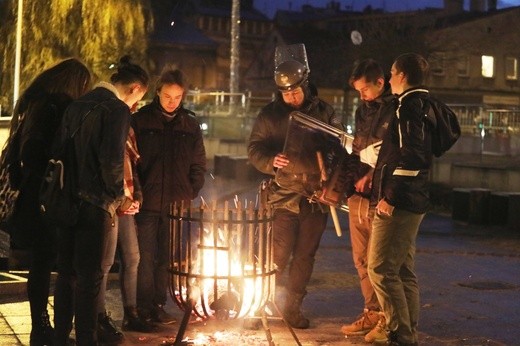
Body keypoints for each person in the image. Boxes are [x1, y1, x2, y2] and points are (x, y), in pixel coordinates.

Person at [53, 56, 149, 346]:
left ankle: (59, 338)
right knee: (91, 279)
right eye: (139, 99)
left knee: (67, 274)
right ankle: (87, 340)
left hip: (67, 201)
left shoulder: (77, 104)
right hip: (96, 207)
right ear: (134, 88)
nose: (135, 106)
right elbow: (111, 161)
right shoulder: (117, 110)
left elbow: (61, 152)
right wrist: (119, 199)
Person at [248, 44, 343, 329]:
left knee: (304, 256)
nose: (291, 97)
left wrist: (332, 181)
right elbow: (254, 148)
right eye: (286, 93)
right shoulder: (269, 115)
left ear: (305, 84)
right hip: (282, 198)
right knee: (274, 256)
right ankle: (259, 305)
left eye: (295, 92)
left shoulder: (324, 111)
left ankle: (292, 308)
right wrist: (270, 160)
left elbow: (339, 149)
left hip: (315, 198)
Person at [4, 58, 91, 346]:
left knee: (42, 263)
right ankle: (43, 326)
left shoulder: (36, 104)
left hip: (35, 196)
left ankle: (42, 325)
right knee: (47, 262)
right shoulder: (53, 107)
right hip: (46, 198)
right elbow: (35, 151)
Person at [132, 68, 207, 324]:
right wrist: (137, 191)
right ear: (158, 92)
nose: (171, 102)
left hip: (176, 204)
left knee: (166, 258)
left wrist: (191, 189)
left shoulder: (190, 124)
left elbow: (199, 163)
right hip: (146, 202)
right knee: (144, 258)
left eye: (177, 97)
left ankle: (158, 304)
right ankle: (143, 307)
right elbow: (131, 161)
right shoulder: (141, 121)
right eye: (167, 96)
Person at [367, 53, 432, 346]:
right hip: (415, 199)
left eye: (392, 73)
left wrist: (389, 197)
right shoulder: (423, 104)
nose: (390, 78)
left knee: (379, 268)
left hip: (401, 202)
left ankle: (399, 333)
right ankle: (408, 332)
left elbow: (413, 155)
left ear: (402, 75)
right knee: (403, 269)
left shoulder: (408, 106)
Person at [340, 59, 395, 342]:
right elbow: (361, 148)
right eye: (358, 91)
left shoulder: (395, 109)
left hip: (380, 197)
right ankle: (371, 311)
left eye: (365, 90)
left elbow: (390, 152)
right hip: (358, 195)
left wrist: (373, 172)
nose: (362, 96)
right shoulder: (363, 110)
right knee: (361, 259)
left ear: (380, 83)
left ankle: (387, 319)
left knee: (379, 262)